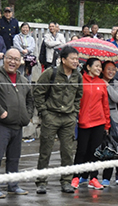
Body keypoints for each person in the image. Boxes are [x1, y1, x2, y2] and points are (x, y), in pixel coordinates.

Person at [0, 49, 32, 197]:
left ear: (20, 62)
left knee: (14, 158)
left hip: (18, 125)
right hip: (0, 124)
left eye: (16, 59)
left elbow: (30, 99)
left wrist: (28, 116)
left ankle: (13, 185)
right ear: (4, 59)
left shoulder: (23, 80)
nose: (12, 62)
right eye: (10, 58)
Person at [33, 46, 82, 194]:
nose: (76, 62)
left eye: (77, 59)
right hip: (51, 116)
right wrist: (44, 112)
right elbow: (38, 92)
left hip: (68, 118)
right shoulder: (51, 73)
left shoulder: (77, 76)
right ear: (63, 59)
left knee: (67, 151)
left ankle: (66, 181)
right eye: (73, 59)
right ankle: (41, 182)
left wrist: (74, 112)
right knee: (45, 151)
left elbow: (79, 95)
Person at [71, 57, 110, 190]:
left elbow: (105, 105)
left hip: (99, 122)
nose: (99, 69)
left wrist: (107, 125)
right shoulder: (80, 81)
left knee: (96, 152)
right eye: (97, 66)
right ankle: (75, 177)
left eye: (100, 67)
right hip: (84, 122)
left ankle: (93, 178)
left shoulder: (102, 83)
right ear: (88, 67)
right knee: (81, 151)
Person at [100, 60, 118, 185]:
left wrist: (107, 86)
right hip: (98, 115)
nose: (111, 72)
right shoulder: (96, 82)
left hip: (113, 117)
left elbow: (117, 98)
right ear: (102, 70)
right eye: (108, 69)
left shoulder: (116, 83)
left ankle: (106, 177)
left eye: (114, 69)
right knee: (96, 147)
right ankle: (89, 175)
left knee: (110, 147)